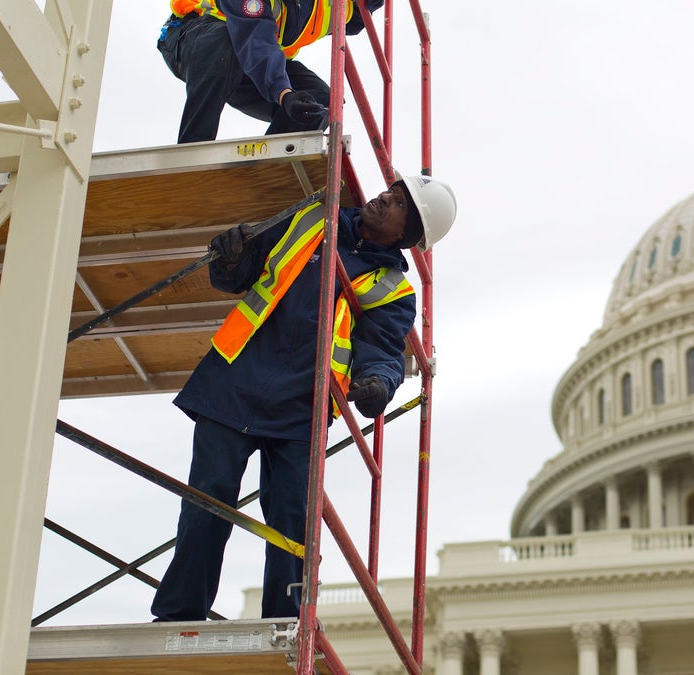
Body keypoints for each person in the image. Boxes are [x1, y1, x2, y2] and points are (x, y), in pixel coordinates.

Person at [151, 174, 457, 621]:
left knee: (292, 521)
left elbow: (384, 352)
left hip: (302, 408)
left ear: (407, 234)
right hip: (235, 381)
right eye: (390, 191)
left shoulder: (392, 288)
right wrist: (231, 255)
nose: (383, 197)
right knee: (208, 500)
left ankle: (284, 622)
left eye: (398, 203)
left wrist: (378, 386)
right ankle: (179, 614)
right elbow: (240, 273)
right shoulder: (314, 218)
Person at [157, 0, 385, 144]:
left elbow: (361, 14)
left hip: (253, 63)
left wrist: (290, 95)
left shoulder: (341, 7)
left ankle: (265, 176)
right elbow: (255, 39)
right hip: (193, 39)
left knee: (321, 101)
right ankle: (194, 147)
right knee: (224, 41)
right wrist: (284, 94)